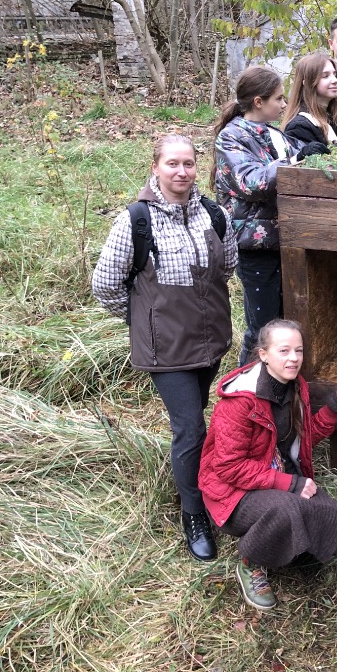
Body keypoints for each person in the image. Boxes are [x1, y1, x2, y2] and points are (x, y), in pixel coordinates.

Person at [93, 134, 238, 562]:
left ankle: (205, 483)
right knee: (190, 427)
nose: (181, 172)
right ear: (155, 166)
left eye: (189, 164)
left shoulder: (214, 213)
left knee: (198, 418)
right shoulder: (135, 221)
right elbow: (105, 285)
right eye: (172, 164)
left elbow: (225, 267)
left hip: (210, 342)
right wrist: (143, 322)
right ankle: (194, 514)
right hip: (166, 350)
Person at [199, 319, 337, 610]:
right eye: (284, 351)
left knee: (329, 510)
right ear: (263, 354)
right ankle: (251, 563)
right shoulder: (239, 401)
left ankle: (292, 552)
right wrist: (291, 483)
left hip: (271, 476)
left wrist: (334, 406)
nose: (294, 358)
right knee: (289, 508)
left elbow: (304, 438)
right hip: (233, 494)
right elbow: (228, 467)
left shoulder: (294, 388)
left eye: (298, 351)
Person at [212, 65, 322, 367]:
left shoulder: (273, 133)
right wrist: (296, 159)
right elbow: (253, 182)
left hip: (284, 241)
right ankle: (244, 397)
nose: (284, 105)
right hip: (254, 247)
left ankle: (279, 396)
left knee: (286, 326)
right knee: (262, 330)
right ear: (258, 102)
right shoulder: (231, 138)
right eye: (278, 99)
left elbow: (305, 155)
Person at [282, 52, 337, 150]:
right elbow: (312, 162)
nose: (335, 80)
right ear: (307, 83)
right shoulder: (299, 127)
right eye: (325, 76)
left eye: (335, 74)